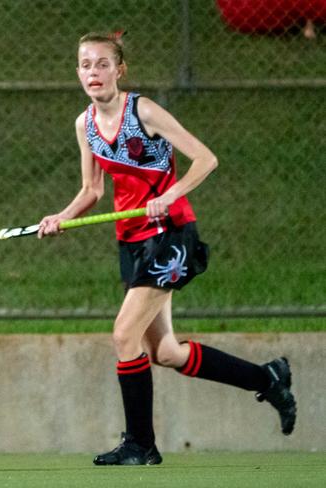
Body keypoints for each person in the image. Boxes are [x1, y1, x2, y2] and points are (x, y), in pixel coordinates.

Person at [37, 30, 296, 465]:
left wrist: (170, 194)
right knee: (165, 352)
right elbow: (91, 189)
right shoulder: (84, 124)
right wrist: (62, 216)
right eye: (85, 64)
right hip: (132, 241)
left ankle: (141, 444)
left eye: (103, 64)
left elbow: (206, 159)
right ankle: (268, 378)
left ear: (120, 70)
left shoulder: (144, 111)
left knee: (124, 334)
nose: (93, 72)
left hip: (171, 236)